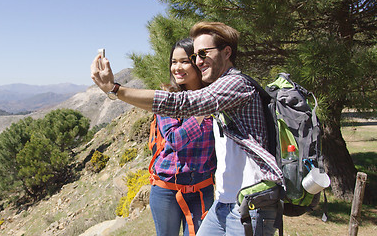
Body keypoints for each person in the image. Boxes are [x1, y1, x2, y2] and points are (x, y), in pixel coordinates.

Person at [91, 21, 284, 236]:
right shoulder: (216, 92)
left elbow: (180, 104)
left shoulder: (235, 84)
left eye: (202, 54)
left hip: (250, 202)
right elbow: (177, 127)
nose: (199, 61)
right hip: (224, 201)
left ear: (227, 52)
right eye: (195, 57)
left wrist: (115, 89)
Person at [148, 38, 216, 236]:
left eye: (184, 61)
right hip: (166, 188)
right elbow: (174, 139)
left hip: (202, 187)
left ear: (197, 62)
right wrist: (204, 109)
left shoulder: (216, 94)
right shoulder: (167, 97)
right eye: (173, 62)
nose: (177, 68)